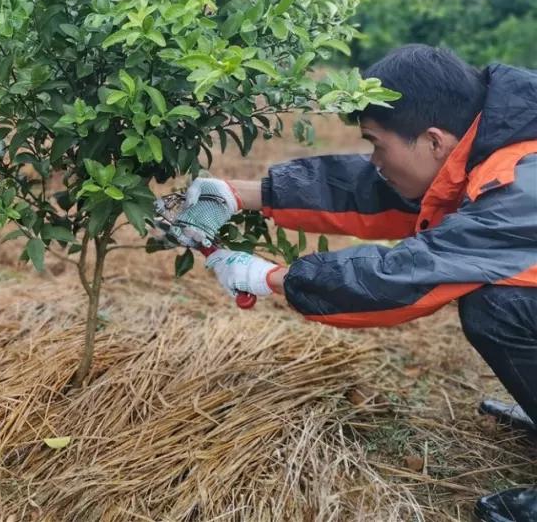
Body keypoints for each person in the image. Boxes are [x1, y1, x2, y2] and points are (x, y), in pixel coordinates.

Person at [156, 45, 536, 522]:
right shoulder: (493, 139)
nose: (374, 158)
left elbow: (407, 278)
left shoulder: (521, 182)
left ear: (435, 141)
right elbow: (378, 191)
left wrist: (268, 276)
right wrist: (238, 195)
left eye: (377, 144)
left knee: (500, 308)